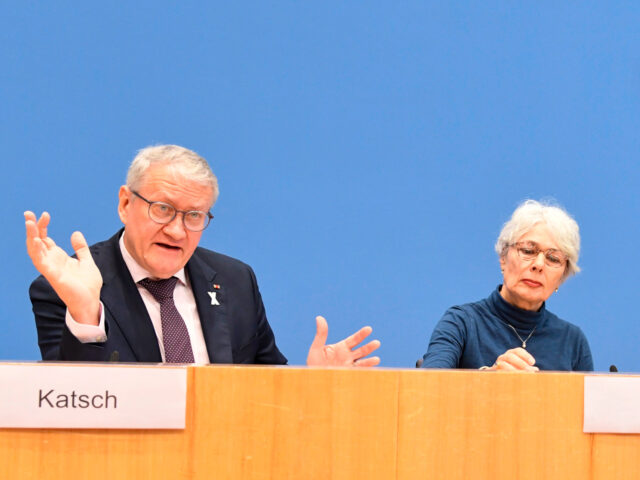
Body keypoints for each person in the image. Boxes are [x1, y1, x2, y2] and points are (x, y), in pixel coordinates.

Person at [26, 144, 380, 366]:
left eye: (194, 215)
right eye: (163, 209)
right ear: (125, 203)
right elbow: (70, 404)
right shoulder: (67, 288)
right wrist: (86, 315)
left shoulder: (235, 281)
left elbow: (265, 391)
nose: (177, 230)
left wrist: (315, 385)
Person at [421, 199, 593, 371]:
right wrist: (489, 377)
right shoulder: (462, 323)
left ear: (562, 276)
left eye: (553, 259)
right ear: (503, 257)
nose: (539, 264)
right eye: (528, 251)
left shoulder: (573, 341)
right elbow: (426, 384)